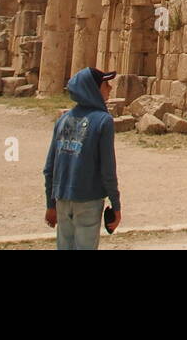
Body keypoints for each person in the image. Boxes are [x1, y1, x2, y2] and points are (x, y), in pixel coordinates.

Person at [43, 67, 122, 249]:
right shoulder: (103, 121)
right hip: (89, 199)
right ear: (93, 89)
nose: (110, 88)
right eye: (105, 84)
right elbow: (107, 170)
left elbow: (49, 167)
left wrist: (51, 203)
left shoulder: (63, 120)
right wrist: (116, 206)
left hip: (62, 198)